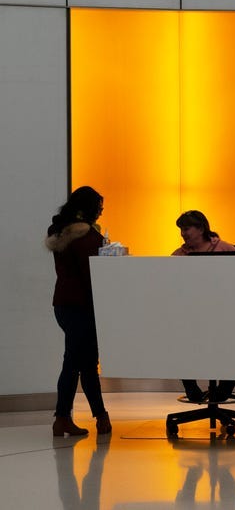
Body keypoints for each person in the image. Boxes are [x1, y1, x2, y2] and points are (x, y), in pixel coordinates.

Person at [45, 186, 112, 436]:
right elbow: (92, 276)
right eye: (99, 208)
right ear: (89, 209)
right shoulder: (86, 238)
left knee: (78, 361)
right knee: (80, 362)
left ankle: (97, 417)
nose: (101, 213)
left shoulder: (60, 232)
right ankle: (69, 418)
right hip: (84, 306)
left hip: (63, 304)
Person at [172, 210, 235, 402]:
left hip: (224, 314)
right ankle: (191, 389)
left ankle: (223, 391)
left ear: (201, 228)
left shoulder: (227, 250)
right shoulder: (178, 256)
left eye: (186, 229)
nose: (183, 234)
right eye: (181, 230)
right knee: (179, 342)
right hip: (191, 315)